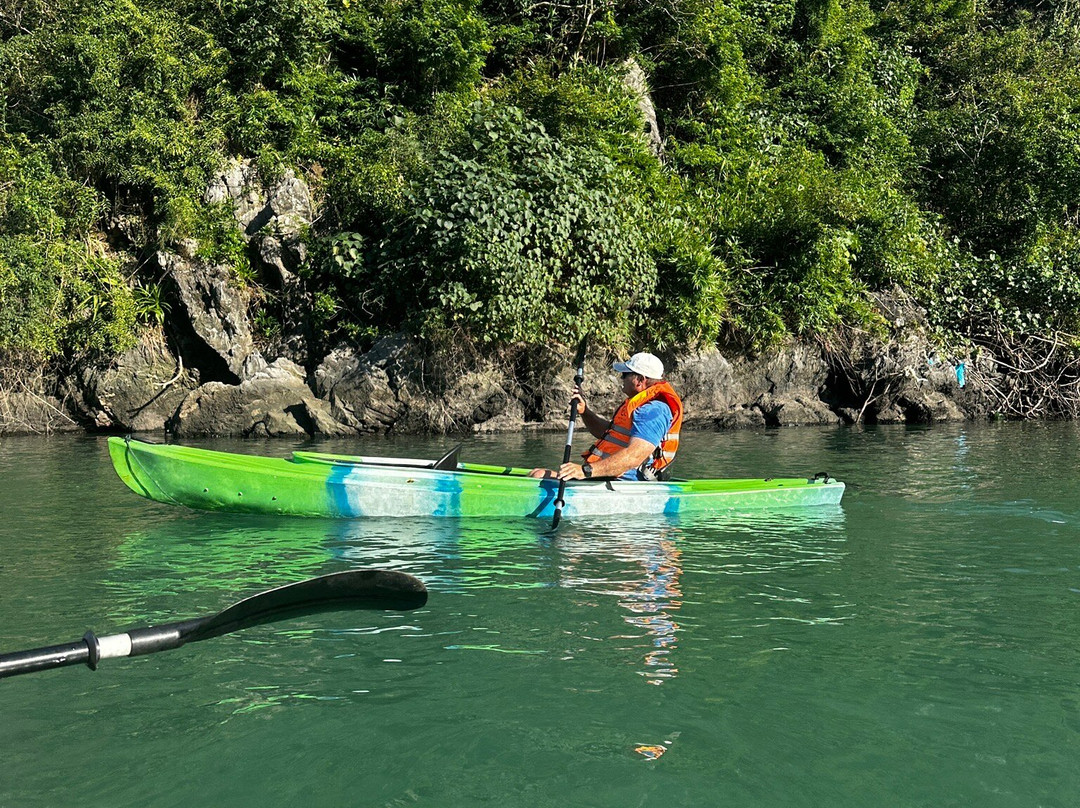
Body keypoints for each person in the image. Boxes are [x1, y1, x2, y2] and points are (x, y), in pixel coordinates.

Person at [529, 352, 683, 482]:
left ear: (640, 380)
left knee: (539, 475)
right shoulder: (639, 405)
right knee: (537, 473)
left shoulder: (654, 411)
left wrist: (585, 471)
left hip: (628, 483)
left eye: (625, 375)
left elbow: (634, 456)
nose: (622, 379)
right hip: (609, 477)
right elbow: (608, 433)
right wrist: (585, 412)